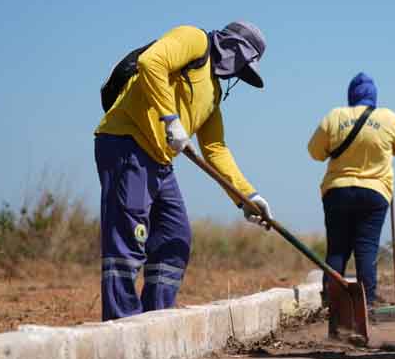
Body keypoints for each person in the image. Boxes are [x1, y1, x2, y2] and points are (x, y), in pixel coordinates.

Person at [94, 22, 274, 321]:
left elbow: (215, 148)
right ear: (234, 48)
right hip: (127, 144)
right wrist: (170, 118)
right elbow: (151, 62)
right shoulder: (194, 40)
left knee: (174, 238)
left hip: (160, 161)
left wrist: (247, 196)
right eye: (243, 65)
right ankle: (121, 323)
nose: (239, 75)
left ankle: (156, 319)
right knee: (129, 238)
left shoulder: (214, 93)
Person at [307, 73, 395, 306]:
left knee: (337, 250)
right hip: (375, 192)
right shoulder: (388, 117)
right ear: (374, 95)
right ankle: (368, 306)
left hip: (338, 190)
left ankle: (333, 307)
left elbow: (315, 152)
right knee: (367, 250)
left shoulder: (335, 116)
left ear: (351, 94)